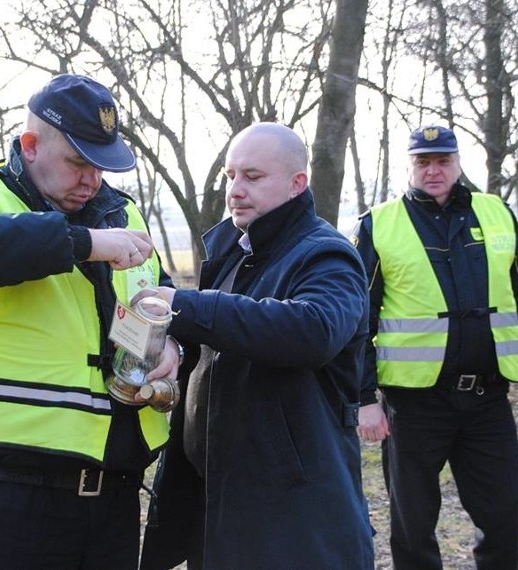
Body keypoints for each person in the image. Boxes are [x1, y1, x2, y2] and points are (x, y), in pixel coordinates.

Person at [0, 73, 182, 569]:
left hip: (114, 498)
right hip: (13, 500)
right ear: (31, 145)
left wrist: (168, 347)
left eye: (103, 166)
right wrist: (83, 243)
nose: (93, 180)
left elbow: (157, 300)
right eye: (79, 162)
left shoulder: (121, 213)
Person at [137, 122, 375, 569]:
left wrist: (186, 306)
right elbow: (225, 350)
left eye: (253, 176)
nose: (236, 190)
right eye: (230, 176)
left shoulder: (328, 255)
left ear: (296, 183)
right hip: (217, 512)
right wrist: (177, 350)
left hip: (291, 523)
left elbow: (312, 330)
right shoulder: (234, 253)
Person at [353, 125, 518, 569]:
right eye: (423, 162)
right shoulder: (379, 224)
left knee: (505, 512)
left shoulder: (496, 213)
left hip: (487, 399)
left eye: (443, 160)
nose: (434, 170)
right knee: (412, 523)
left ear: (459, 162)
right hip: (413, 405)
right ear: (410, 166)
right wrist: (364, 399)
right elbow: (358, 322)